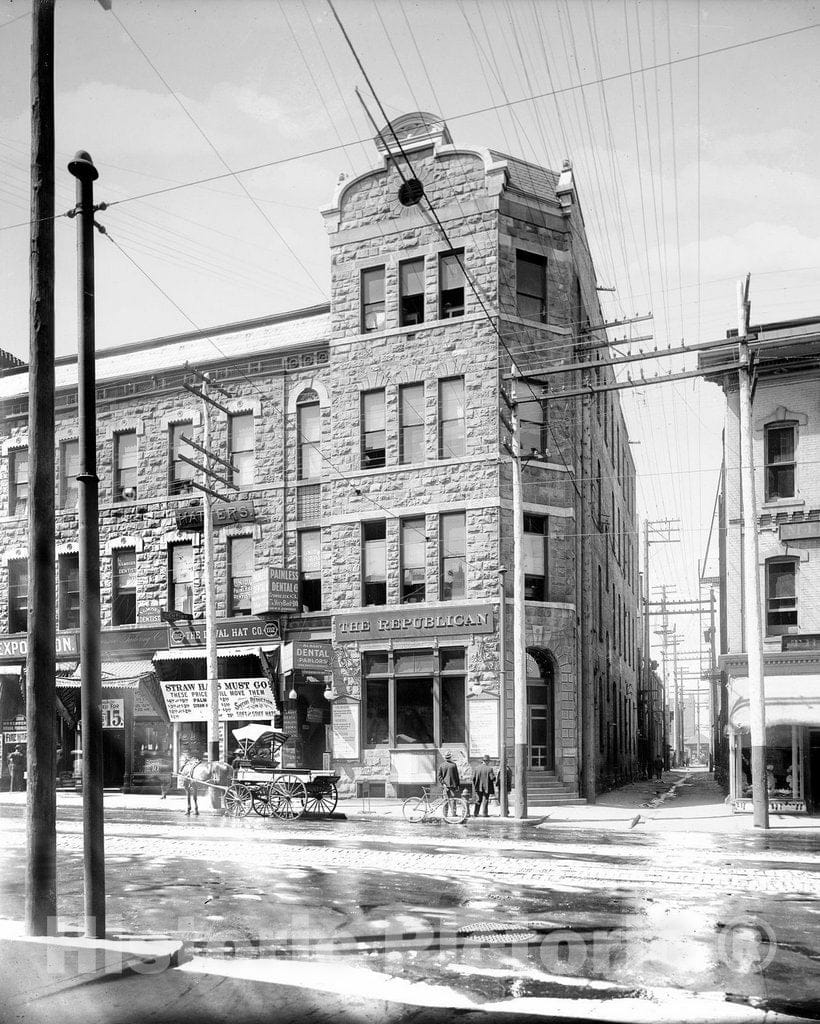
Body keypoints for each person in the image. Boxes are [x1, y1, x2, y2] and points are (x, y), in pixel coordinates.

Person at [437, 751, 460, 816]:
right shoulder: (453, 765)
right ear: (450, 757)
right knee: (453, 800)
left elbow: (439, 776)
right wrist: (458, 785)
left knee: (445, 800)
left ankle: (445, 814)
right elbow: (456, 776)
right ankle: (453, 813)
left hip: (445, 786)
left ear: (445, 758)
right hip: (453, 786)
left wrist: (443, 783)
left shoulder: (442, 765)